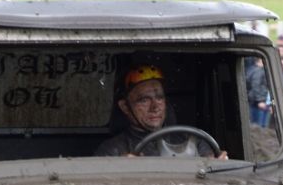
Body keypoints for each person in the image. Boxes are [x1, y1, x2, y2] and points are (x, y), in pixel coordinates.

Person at [95, 65, 223, 158]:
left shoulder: (195, 140)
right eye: (144, 100)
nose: (155, 107)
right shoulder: (112, 150)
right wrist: (121, 172)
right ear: (125, 107)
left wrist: (219, 165)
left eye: (159, 97)